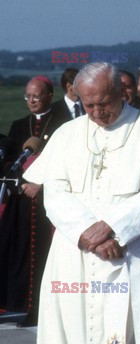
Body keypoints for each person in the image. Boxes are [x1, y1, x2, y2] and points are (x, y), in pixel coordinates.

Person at [23, 62, 140, 343]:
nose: (97, 113)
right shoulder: (67, 134)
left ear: (120, 92)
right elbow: (54, 192)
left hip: (127, 248)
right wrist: (89, 232)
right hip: (74, 248)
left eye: (104, 103)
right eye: (88, 106)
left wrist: (113, 228)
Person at [0, 76, 70, 327]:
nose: (31, 101)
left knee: (47, 257)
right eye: (27, 96)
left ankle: (46, 309)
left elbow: (67, 162)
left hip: (49, 203)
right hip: (23, 204)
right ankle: (27, 307)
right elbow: (9, 161)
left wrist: (41, 184)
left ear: (50, 95)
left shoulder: (65, 124)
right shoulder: (19, 125)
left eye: (36, 96)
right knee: (23, 255)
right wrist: (21, 180)